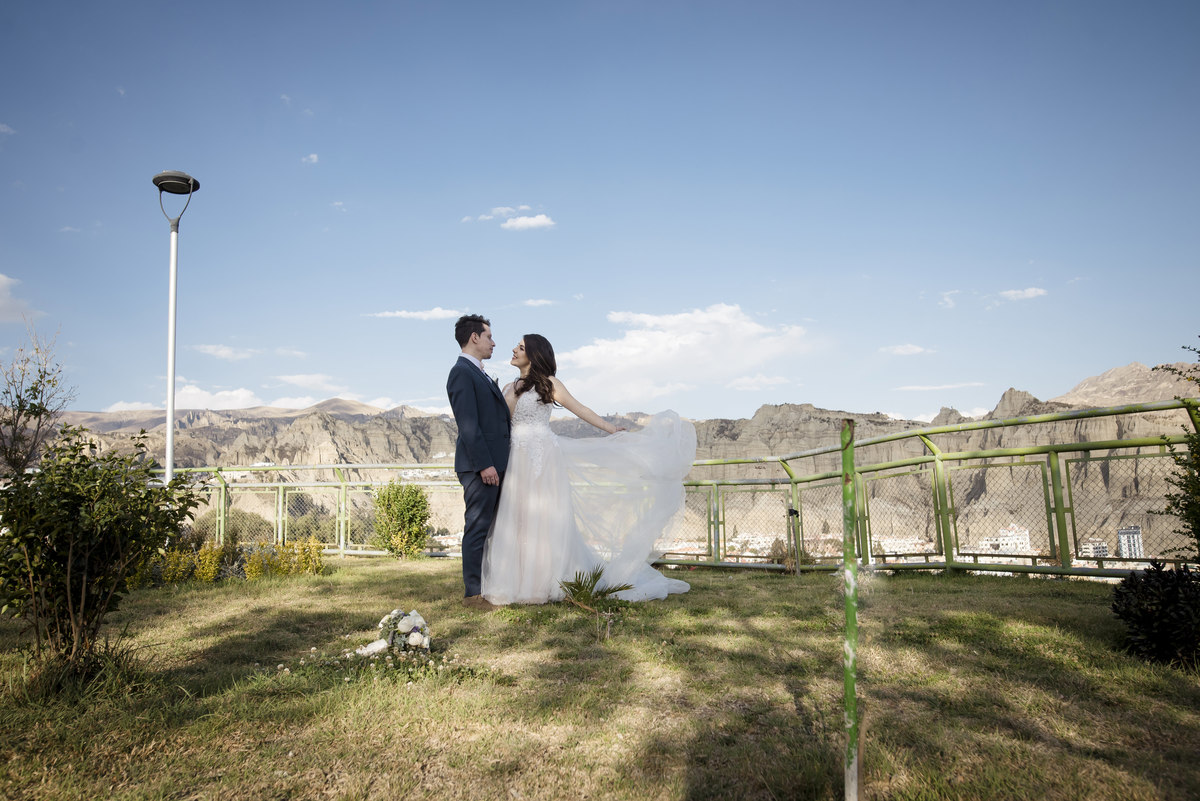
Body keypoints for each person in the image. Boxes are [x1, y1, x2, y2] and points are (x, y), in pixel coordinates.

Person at [481, 334, 695, 605]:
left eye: (520, 347)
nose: (513, 349)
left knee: (545, 520)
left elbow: (579, 408)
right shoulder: (509, 388)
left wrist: (610, 429)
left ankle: (542, 583)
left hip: (543, 459)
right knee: (518, 517)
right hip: (516, 458)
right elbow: (502, 424)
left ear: (534, 355)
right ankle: (516, 581)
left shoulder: (550, 384)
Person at [446, 314, 511, 611]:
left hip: (493, 463)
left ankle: (487, 587)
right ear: (475, 337)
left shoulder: (479, 372)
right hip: (478, 466)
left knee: (489, 527)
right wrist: (485, 464)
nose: (493, 342)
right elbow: (468, 425)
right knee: (477, 526)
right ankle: (473, 595)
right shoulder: (461, 372)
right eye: (489, 336)